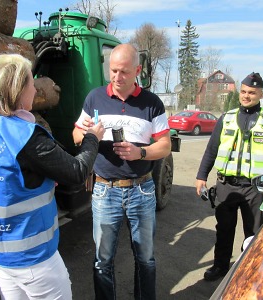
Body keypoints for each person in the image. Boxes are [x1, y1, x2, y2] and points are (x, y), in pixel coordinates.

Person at [0, 54, 105, 299]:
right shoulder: (25, 136)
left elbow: (6, 181)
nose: (35, 88)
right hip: (34, 260)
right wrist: (92, 138)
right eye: (31, 82)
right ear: (18, 89)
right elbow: (77, 172)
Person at [72, 43, 171, 300]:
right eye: (113, 70)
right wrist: (87, 134)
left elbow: (165, 145)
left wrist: (141, 153)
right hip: (105, 190)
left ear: (137, 70)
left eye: (124, 72)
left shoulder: (152, 103)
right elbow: (74, 135)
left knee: (146, 259)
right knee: (102, 261)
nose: (117, 77)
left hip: (142, 189)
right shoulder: (94, 98)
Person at [195, 72, 263, 281]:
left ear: (260, 94)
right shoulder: (226, 118)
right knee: (224, 230)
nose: (247, 96)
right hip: (226, 185)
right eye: (244, 92)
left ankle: (251, 271)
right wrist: (202, 175)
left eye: (252, 93)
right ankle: (220, 266)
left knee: (254, 233)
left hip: (256, 189)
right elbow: (211, 149)